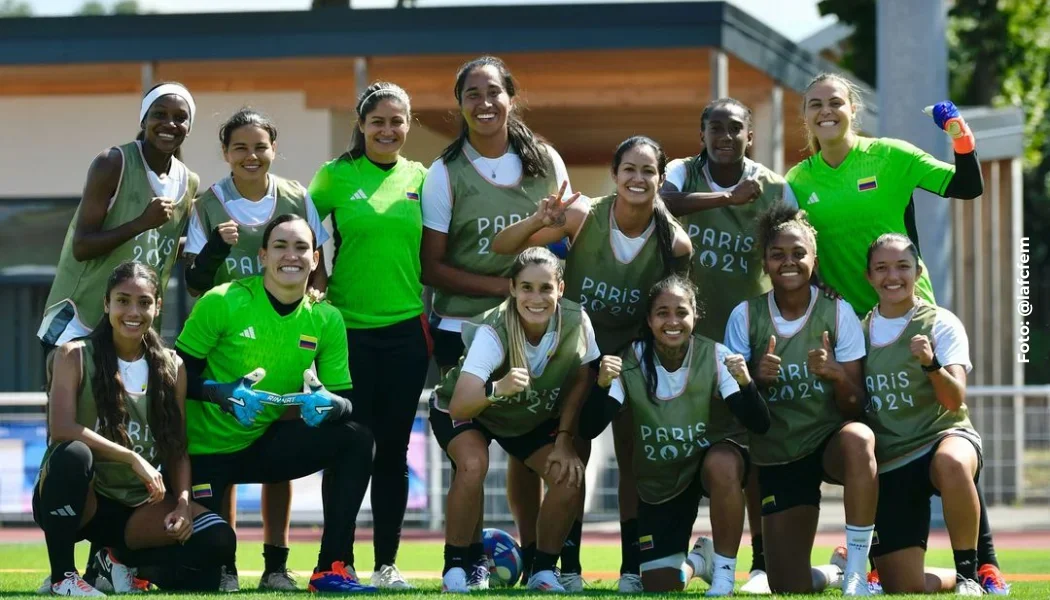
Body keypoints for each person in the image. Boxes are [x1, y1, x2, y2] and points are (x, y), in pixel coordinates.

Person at [787, 73, 1006, 595]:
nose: (826, 111)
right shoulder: (797, 180)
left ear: (852, 109)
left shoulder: (891, 156)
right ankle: (877, 552)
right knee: (875, 435)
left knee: (942, 428)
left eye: (835, 102)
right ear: (805, 116)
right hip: (853, 331)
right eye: (815, 104)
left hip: (910, 317)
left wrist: (959, 134)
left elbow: (966, 185)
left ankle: (984, 564)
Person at [493, 135, 693, 593]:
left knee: (632, 460)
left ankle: (630, 567)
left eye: (648, 171)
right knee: (572, 455)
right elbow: (504, 248)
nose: (638, 178)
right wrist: (538, 221)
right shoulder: (584, 214)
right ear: (615, 174)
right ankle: (566, 565)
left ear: (661, 180)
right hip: (573, 355)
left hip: (630, 359)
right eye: (630, 169)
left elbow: (674, 313)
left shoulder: (675, 243)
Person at [420, 55, 574, 589]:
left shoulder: (545, 160)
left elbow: (568, 231)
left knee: (530, 443)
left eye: (494, 92)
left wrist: (538, 297)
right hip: (464, 331)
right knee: (474, 454)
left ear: (511, 97)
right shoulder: (444, 172)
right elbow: (432, 267)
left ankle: (541, 559)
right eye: (472, 95)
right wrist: (507, 294)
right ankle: (466, 560)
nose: (484, 103)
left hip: (536, 325)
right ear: (459, 105)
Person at [174, 214, 376, 593]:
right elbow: (173, 378)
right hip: (204, 454)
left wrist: (329, 404)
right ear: (263, 256)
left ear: (315, 259)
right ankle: (122, 556)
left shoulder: (326, 318)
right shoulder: (223, 301)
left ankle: (332, 567)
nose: (291, 255)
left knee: (357, 439)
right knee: (205, 572)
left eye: (301, 247)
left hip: (261, 445)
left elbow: (345, 402)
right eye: (280, 246)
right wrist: (219, 393)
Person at [180, 107, 331, 592]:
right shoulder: (208, 205)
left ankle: (275, 565)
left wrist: (313, 303)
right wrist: (216, 252)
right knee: (218, 455)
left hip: (285, 333)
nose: (251, 155)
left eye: (260, 146)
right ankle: (224, 563)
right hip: (229, 342)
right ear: (225, 153)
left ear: (273, 150)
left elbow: (318, 264)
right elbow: (194, 282)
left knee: (278, 449)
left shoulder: (296, 196)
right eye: (240, 147)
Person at [34, 261, 235, 596]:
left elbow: (177, 447)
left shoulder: (173, 365)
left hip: (137, 511)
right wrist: (132, 458)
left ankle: (118, 559)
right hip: (82, 500)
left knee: (217, 541)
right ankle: (62, 578)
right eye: (123, 300)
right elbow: (61, 428)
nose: (133, 311)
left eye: (144, 302)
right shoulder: (73, 355)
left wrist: (183, 502)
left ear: (157, 307)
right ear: (106, 304)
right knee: (72, 453)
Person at [661, 97, 796, 594]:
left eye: (734, 128)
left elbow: (796, 245)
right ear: (702, 135)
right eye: (714, 128)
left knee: (754, 451)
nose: (723, 136)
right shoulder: (681, 171)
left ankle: (758, 562)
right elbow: (662, 203)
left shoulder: (776, 186)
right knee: (675, 449)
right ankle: (666, 553)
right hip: (681, 340)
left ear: (749, 136)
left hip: (748, 339)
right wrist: (728, 199)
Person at [307, 82, 430, 590]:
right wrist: (313, 279)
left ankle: (386, 563)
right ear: (361, 125)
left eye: (397, 121)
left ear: (408, 125)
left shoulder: (423, 178)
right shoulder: (334, 176)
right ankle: (336, 559)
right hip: (347, 332)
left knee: (394, 451)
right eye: (377, 120)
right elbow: (300, 231)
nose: (387, 129)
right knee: (349, 445)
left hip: (406, 332)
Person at [722, 204, 875, 595]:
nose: (788, 262)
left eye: (798, 253)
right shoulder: (744, 316)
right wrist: (756, 379)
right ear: (765, 262)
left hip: (827, 442)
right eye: (778, 254)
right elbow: (736, 406)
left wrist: (837, 373)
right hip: (779, 452)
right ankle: (835, 571)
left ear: (814, 259)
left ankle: (856, 569)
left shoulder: (838, 313)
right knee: (788, 586)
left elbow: (856, 404)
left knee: (860, 439)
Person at [586, 275, 770, 595]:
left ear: (695, 316)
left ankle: (725, 575)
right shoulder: (630, 361)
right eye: (663, 313)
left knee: (723, 463)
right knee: (661, 586)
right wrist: (601, 387)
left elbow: (759, 423)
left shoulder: (715, 355)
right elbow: (589, 428)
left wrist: (746, 383)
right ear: (649, 319)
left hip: (707, 463)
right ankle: (701, 561)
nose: (673, 321)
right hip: (663, 480)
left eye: (681, 312)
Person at [429, 247, 594, 593]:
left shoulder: (577, 319)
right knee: (473, 464)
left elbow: (583, 376)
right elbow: (459, 406)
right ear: (513, 289)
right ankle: (457, 567)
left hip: (524, 416)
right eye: (527, 288)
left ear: (560, 290)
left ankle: (543, 570)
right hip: (470, 409)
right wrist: (497, 388)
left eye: (546, 288)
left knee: (568, 476)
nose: (537, 297)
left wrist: (564, 439)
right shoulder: (493, 330)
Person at [861, 233, 985, 596]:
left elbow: (953, 399)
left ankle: (968, 574)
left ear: (918, 271)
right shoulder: (858, 330)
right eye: (881, 268)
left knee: (952, 463)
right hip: (893, 457)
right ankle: (948, 577)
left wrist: (930, 364)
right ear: (869, 277)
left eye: (902, 266)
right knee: (904, 587)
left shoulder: (941, 323)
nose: (892, 276)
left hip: (943, 436)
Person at [38, 82, 199, 354]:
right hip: (79, 321)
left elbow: (159, 246)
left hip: (134, 328)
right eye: (159, 114)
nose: (169, 124)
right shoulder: (113, 162)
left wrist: (205, 243)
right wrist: (141, 223)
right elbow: (82, 246)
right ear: (144, 119)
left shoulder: (188, 181)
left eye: (180, 117)